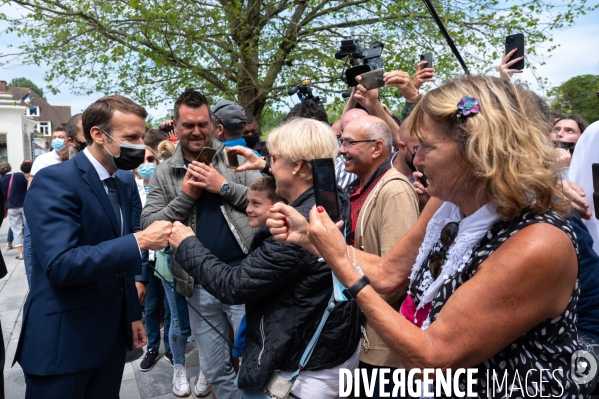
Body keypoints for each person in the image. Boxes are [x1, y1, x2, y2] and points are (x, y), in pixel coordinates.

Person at [268, 75, 593, 397]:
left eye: (424, 147)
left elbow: (433, 357)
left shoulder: (538, 243)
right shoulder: (448, 201)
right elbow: (388, 275)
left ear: (477, 150)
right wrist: (309, 238)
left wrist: (340, 262)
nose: (415, 162)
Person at [169, 118, 361, 398]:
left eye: (274, 158)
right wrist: (263, 163)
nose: (269, 163)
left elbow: (234, 286)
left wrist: (186, 243)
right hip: (331, 347)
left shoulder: (296, 227)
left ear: (298, 166)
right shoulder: (330, 196)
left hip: (302, 369)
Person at [15, 95, 171, 399]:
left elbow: (119, 250)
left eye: (142, 136)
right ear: (98, 134)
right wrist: (140, 241)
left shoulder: (124, 181)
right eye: (131, 137)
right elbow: (61, 265)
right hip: (64, 341)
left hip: (109, 338)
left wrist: (132, 316)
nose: (140, 145)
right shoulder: (55, 181)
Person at [141, 89, 261, 398]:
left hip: (242, 274)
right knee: (214, 368)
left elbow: (263, 203)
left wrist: (221, 186)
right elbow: (148, 226)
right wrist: (186, 197)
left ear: (213, 125)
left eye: (202, 124)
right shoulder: (164, 172)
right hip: (197, 284)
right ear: (176, 126)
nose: (196, 131)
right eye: (188, 125)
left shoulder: (233, 158)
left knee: (256, 359)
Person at [340, 115, 419, 396]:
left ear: (376, 149)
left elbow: (397, 277)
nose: (341, 149)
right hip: (361, 336)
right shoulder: (359, 186)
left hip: (382, 347)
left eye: (349, 142)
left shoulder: (394, 190)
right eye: (341, 141)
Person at [0, 162, 28, 260]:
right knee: (28, 228)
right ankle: (28, 250)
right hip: (24, 204)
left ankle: (20, 254)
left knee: (16, 230)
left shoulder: (1, 180)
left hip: (11, 207)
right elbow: (27, 187)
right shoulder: (20, 176)